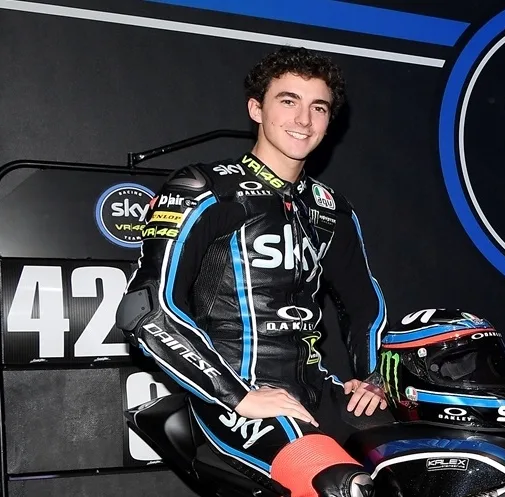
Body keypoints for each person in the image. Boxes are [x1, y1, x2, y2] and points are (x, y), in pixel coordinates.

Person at [115, 45, 388, 497]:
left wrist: (372, 377)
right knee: (344, 488)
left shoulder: (332, 208)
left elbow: (364, 306)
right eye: (288, 101)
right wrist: (236, 395)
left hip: (317, 390)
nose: (304, 120)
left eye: (318, 107)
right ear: (256, 109)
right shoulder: (205, 188)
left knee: (429, 465)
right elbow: (145, 310)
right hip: (234, 395)